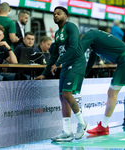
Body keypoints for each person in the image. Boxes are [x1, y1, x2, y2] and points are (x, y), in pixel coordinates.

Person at [81, 29, 125, 136]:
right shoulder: (94, 43)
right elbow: (92, 59)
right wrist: (84, 74)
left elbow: (79, 51)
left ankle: (104, 127)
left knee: (112, 93)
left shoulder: (89, 34)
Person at [35, 6, 88, 142]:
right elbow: (54, 55)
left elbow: (74, 47)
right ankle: (67, 132)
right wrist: (44, 74)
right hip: (65, 64)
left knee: (66, 94)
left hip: (76, 63)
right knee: (61, 96)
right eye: (54, 14)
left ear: (66, 16)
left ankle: (82, 123)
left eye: (58, 14)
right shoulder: (58, 33)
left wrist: (58, 63)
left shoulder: (71, 27)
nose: (55, 16)